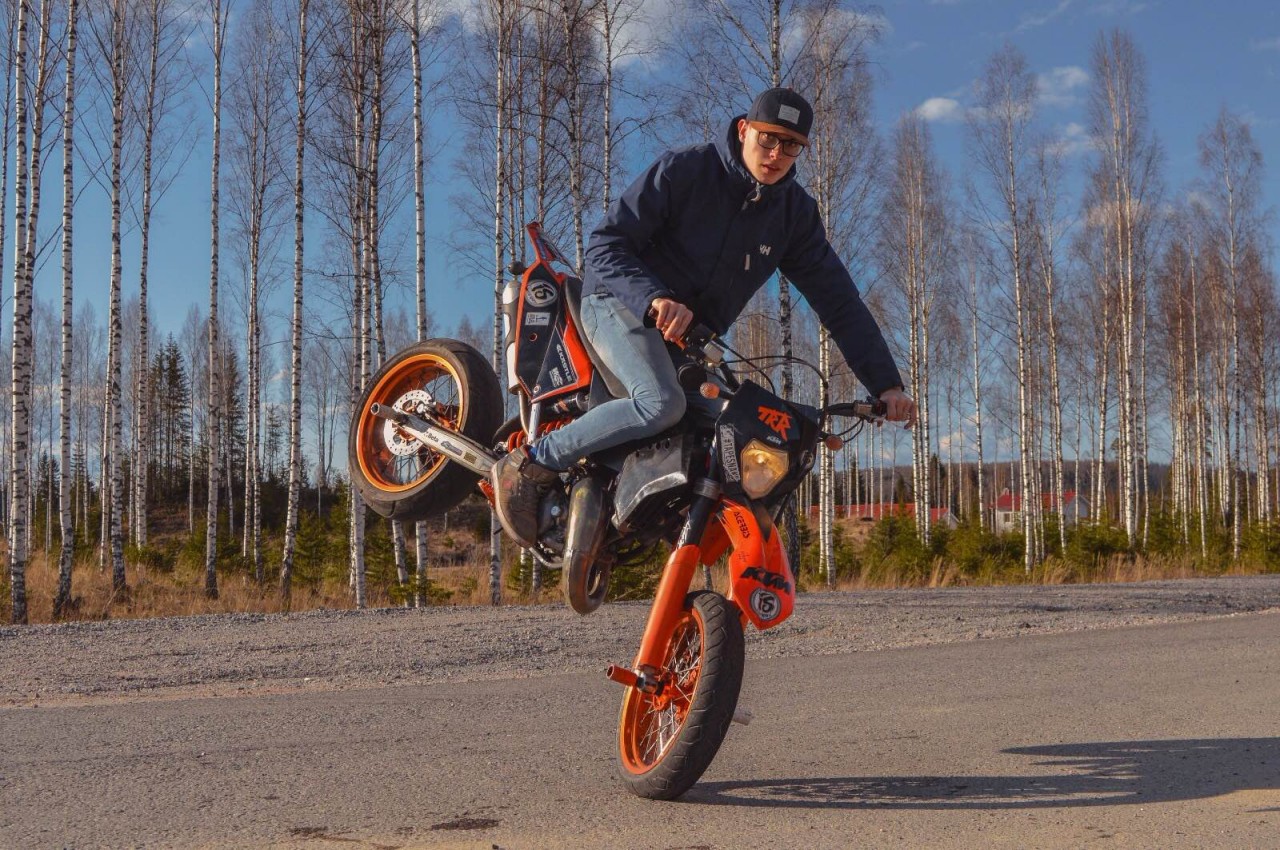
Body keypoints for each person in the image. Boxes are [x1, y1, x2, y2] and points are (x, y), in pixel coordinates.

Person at [492, 87, 917, 548]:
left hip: (689, 340)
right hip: (618, 301)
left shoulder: (793, 215)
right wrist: (654, 298)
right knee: (660, 403)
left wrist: (886, 385)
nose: (776, 154)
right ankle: (530, 464)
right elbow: (606, 246)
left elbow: (840, 302)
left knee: (732, 434)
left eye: (791, 145)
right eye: (768, 138)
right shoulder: (687, 170)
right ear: (744, 130)